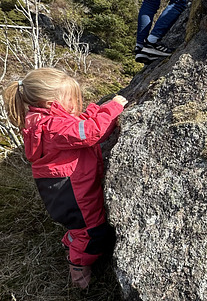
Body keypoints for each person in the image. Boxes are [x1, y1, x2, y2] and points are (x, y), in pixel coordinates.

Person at [3, 68, 127, 289]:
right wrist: (114, 106)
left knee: (79, 226)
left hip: (61, 189)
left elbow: (75, 124)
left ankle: (72, 240)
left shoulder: (41, 121)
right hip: (72, 190)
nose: (76, 103)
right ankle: (78, 269)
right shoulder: (53, 127)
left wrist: (96, 110)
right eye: (71, 99)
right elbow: (91, 132)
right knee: (92, 232)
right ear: (52, 103)